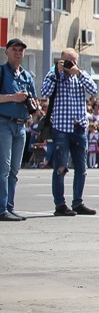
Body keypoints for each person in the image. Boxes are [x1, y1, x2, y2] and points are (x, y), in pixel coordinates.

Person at [40, 48, 98, 216]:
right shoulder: (54, 75)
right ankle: (60, 205)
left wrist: (78, 72)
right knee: (60, 168)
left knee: (81, 168)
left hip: (79, 128)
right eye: (67, 61)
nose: (69, 64)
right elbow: (44, 93)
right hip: (61, 129)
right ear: (60, 60)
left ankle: (78, 202)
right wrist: (56, 73)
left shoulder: (80, 76)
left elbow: (94, 90)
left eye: (73, 61)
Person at [0, 38, 38, 221]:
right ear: (6, 52)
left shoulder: (26, 76)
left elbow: (35, 99)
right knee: (4, 168)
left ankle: (9, 207)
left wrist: (33, 104)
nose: (17, 53)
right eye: (14, 49)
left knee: (14, 169)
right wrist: (13, 97)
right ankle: (1, 209)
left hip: (21, 126)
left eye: (21, 50)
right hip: (4, 124)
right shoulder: (1, 72)